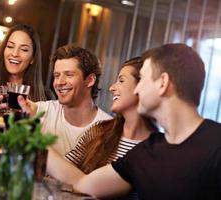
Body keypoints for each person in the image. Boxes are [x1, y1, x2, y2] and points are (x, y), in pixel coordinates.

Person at [46, 43, 221, 200]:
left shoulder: (216, 144)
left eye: (143, 79)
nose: (138, 88)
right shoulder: (147, 151)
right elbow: (83, 184)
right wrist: (31, 139)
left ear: (163, 83)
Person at [65, 57, 158, 200]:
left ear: (142, 87)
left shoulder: (155, 151)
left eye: (121, 80)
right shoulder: (100, 131)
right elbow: (64, 171)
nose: (111, 87)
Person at [18, 44, 112, 156]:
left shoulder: (109, 129)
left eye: (69, 75)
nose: (59, 82)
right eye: (57, 75)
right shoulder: (39, 112)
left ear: (90, 80)